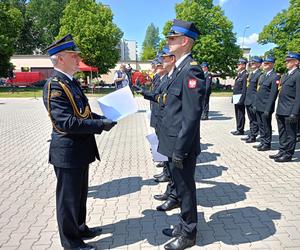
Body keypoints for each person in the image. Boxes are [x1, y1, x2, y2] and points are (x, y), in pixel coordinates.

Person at [42, 34, 117, 250]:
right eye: (73, 55)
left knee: (80, 195)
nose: (78, 59)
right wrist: (100, 125)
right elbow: (65, 123)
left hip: (80, 150)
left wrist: (101, 119)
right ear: (60, 59)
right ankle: (72, 243)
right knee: (68, 200)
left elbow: (83, 113)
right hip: (67, 152)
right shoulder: (54, 85)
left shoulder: (70, 82)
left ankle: (80, 227)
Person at [157, 19, 205, 250]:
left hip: (181, 145)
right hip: (172, 143)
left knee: (186, 190)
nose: (168, 42)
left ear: (185, 41)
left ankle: (189, 234)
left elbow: (191, 116)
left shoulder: (191, 69)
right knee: (180, 188)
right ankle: (183, 223)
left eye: (172, 38)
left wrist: (181, 149)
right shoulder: (179, 68)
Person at [270, 52, 300, 162]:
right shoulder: (286, 75)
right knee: (282, 132)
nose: (286, 62)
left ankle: (288, 154)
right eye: (286, 61)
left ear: (296, 62)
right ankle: (282, 150)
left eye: (289, 60)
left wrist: (295, 112)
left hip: (290, 110)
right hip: (281, 109)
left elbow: (298, 96)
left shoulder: (298, 75)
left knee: (290, 134)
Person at [254, 56, 279, 151]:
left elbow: (273, 95)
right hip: (259, 105)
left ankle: (267, 143)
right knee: (260, 125)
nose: (265, 65)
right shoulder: (263, 76)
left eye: (267, 63)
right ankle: (263, 141)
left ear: (272, 64)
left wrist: (268, 109)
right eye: (264, 63)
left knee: (266, 125)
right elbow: (259, 91)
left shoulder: (275, 76)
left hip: (266, 106)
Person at [241, 56, 263, 143]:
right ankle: (251, 134)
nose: (251, 64)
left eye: (254, 63)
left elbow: (258, 91)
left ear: (258, 64)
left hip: (253, 101)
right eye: (251, 63)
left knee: (255, 119)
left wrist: (255, 102)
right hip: (248, 100)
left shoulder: (260, 75)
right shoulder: (251, 74)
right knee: (251, 119)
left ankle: (254, 135)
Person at [231, 58, 248, 135]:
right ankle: (238, 128)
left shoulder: (245, 75)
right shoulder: (239, 74)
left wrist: (242, 99)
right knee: (237, 113)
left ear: (244, 65)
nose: (237, 65)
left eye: (239, 64)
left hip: (240, 97)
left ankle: (241, 129)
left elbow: (244, 88)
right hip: (236, 97)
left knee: (240, 114)